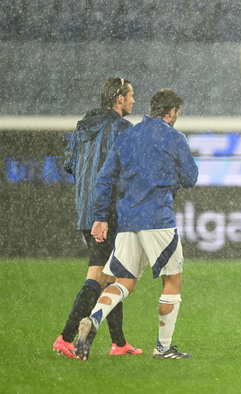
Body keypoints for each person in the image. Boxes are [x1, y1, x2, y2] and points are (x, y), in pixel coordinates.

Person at [74, 89, 199, 360]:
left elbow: (104, 179)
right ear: (171, 112)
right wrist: (170, 177)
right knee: (172, 280)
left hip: (128, 220)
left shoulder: (127, 135)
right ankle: (163, 348)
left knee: (123, 282)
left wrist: (100, 217)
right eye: (178, 112)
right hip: (158, 219)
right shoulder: (174, 137)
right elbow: (191, 177)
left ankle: (93, 320)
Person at [54, 76, 141, 358]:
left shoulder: (82, 128)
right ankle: (65, 338)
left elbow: (68, 164)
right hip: (107, 212)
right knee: (99, 275)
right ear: (119, 99)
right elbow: (132, 170)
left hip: (85, 211)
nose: (133, 101)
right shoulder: (123, 129)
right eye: (131, 96)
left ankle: (119, 343)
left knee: (114, 274)